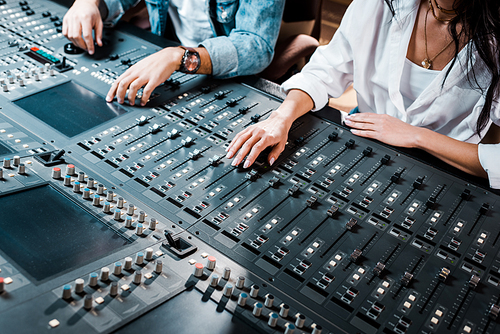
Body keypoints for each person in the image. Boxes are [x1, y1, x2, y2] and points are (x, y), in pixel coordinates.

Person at [225, 0, 500, 189]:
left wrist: (417, 137)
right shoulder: (379, 4)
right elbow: (324, 71)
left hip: (449, 166)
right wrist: (281, 117)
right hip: (364, 136)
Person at [62, 0, 285, 106]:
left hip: (217, 67)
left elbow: (256, 45)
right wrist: (89, 3)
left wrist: (179, 57)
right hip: (166, 53)